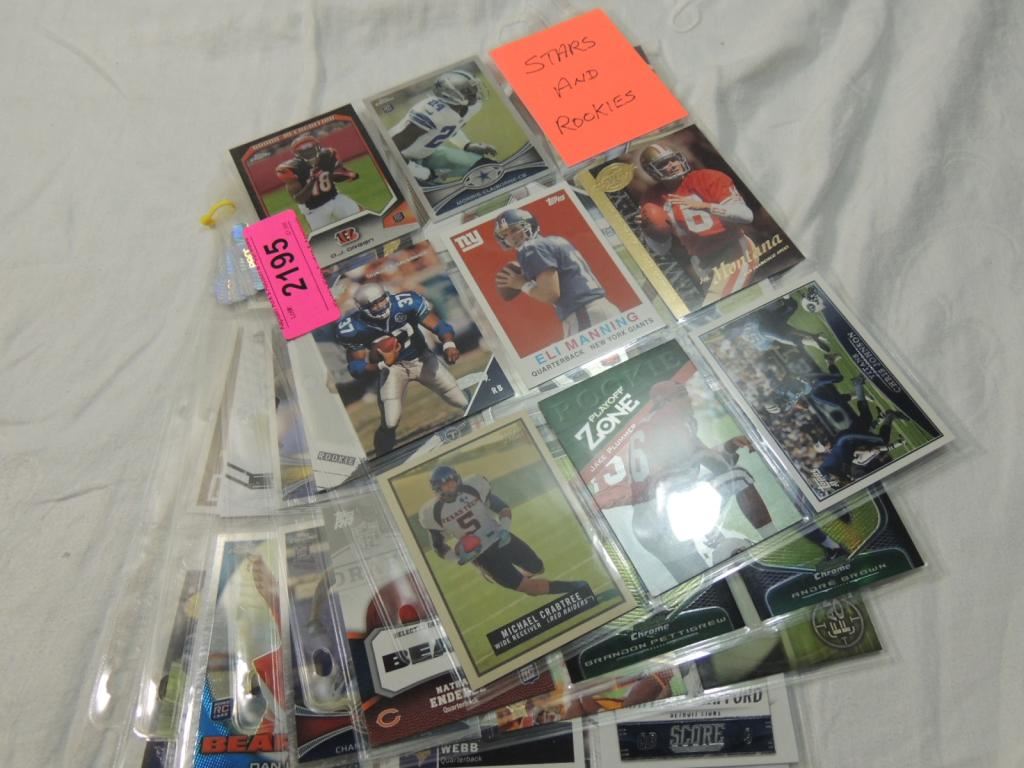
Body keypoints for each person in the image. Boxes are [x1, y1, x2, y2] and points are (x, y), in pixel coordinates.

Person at [595, 378, 783, 583]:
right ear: (666, 402)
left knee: (705, 590)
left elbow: (701, 458)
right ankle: (774, 542)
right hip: (669, 517)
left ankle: (716, 542)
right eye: (682, 395)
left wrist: (730, 446)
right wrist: (727, 452)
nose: (690, 399)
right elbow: (716, 465)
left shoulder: (650, 425)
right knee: (738, 476)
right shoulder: (672, 423)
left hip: (646, 527)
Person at [418, 465, 589, 597]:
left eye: (453, 482)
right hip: (482, 554)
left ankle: (521, 581)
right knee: (531, 588)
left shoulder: (472, 487)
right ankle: (577, 588)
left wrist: (504, 529)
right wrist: (458, 557)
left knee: (537, 567)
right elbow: (438, 546)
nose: (452, 487)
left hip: (500, 537)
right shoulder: (433, 512)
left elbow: (502, 508)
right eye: (447, 485)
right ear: (438, 488)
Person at [336, 283, 466, 455]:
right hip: (393, 369)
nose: (379, 306)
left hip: (421, 358)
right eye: (373, 305)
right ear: (362, 308)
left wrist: (449, 344)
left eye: (381, 300)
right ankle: (382, 458)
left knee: (460, 399)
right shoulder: (353, 326)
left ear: (387, 295)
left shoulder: (407, 303)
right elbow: (356, 368)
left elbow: (439, 326)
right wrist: (383, 364)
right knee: (390, 420)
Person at [636, 142, 757, 303]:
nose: (673, 165)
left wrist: (706, 206)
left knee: (718, 305)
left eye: (673, 159)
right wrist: (650, 232)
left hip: (732, 250)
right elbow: (662, 249)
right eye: (664, 163)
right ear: (652, 171)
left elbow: (746, 215)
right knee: (737, 304)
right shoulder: (652, 198)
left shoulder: (708, 178)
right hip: (701, 262)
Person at [493, 208, 622, 335]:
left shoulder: (531, 248)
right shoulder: (554, 240)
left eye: (514, 230)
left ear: (529, 225)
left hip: (583, 313)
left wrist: (522, 284)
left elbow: (550, 295)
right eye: (505, 234)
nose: (511, 237)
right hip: (598, 308)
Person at [389, 70, 498, 184]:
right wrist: (422, 173)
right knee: (432, 189)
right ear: (450, 94)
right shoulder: (430, 112)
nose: (475, 93)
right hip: (399, 159)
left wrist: (466, 145)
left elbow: (450, 127)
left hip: (428, 153)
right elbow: (392, 149)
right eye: (467, 90)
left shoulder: (471, 107)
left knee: (486, 166)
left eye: (474, 88)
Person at [275, 133, 361, 232]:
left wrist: (347, 174)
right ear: (297, 153)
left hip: (334, 197)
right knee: (323, 237)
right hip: (313, 208)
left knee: (361, 217)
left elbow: (336, 175)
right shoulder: (292, 168)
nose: (308, 150)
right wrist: (312, 180)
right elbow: (299, 199)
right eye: (303, 149)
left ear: (317, 146)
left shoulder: (328, 155)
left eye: (310, 146)